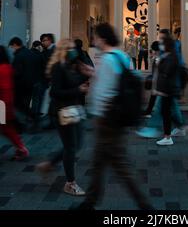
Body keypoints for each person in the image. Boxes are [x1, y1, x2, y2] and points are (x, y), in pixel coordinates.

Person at [74, 23, 152, 210]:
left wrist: (97, 113)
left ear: (103, 38)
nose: (94, 40)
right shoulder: (121, 56)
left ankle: (145, 206)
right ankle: (89, 203)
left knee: (119, 165)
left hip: (108, 119)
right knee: (99, 162)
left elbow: (104, 91)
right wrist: (93, 72)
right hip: (115, 117)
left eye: (95, 37)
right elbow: (123, 80)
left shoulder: (107, 59)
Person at [36, 39, 89, 196]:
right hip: (61, 111)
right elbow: (55, 92)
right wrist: (78, 89)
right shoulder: (59, 67)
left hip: (73, 109)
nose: (74, 51)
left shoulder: (70, 66)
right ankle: (70, 183)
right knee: (71, 146)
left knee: (76, 144)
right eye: (71, 49)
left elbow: (72, 83)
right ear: (64, 51)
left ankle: (48, 164)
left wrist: (84, 77)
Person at [0, 46, 29, 160]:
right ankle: (21, 148)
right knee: (7, 128)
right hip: (7, 103)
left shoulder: (1, 69)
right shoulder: (8, 67)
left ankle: (22, 149)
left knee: (7, 128)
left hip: (2, 104)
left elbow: (3, 88)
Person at [155, 35, 182, 146]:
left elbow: (166, 72)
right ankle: (179, 127)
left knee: (165, 112)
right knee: (165, 111)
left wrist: (159, 63)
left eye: (162, 43)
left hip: (168, 89)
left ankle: (168, 136)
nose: (160, 45)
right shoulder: (168, 55)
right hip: (166, 89)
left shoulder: (171, 57)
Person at [8, 37, 36, 124]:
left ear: (15, 45)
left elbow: (17, 72)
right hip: (31, 83)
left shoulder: (19, 56)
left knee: (19, 105)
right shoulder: (30, 53)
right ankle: (31, 118)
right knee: (25, 104)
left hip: (21, 85)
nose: (12, 49)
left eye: (12, 47)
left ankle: (23, 123)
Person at [30, 41, 46, 131]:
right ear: (39, 46)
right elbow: (44, 68)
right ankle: (35, 119)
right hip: (39, 80)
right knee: (37, 100)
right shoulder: (40, 55)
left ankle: (32, 117)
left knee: (33, 100)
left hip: (30, 81)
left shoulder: (28, 54)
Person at [143, 41, 160, 117]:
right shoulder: (157, 57)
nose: (151, 51)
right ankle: (148, 111)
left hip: (158, 83)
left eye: (152, 49)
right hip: (157, 83)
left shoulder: (158, 59)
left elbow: (156, 71)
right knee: (153, 98)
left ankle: (149, 112)